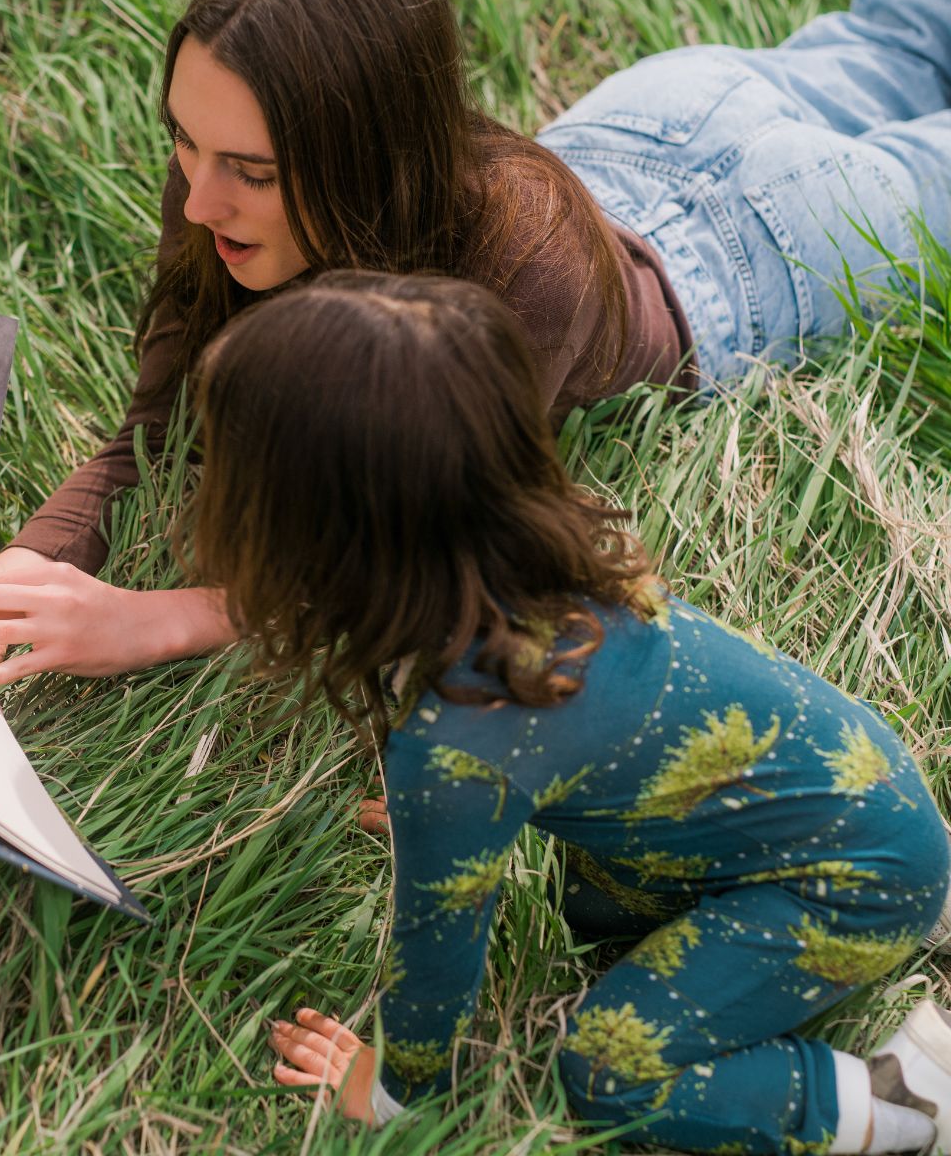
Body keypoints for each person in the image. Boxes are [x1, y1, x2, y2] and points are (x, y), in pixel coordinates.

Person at [0, 0, 951, 687]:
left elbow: (414, 555)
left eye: (252, 173)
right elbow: (159, 431)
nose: (197, 200)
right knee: (896, 38)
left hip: (759, 252)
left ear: (369, 154)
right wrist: (31, 563)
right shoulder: (218, 181)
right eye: (185, 143)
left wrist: (162, 618)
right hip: (648, 121)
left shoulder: (523, 273)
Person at [189, 270, 951, 1153]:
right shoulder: (539, 564)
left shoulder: (456, 747)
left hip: (851, 884)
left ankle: (906, 1103)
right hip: (861, 798)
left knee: (606, 1071)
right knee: (579, 906)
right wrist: (450, 820)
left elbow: (435, 969)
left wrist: (395, 1089)